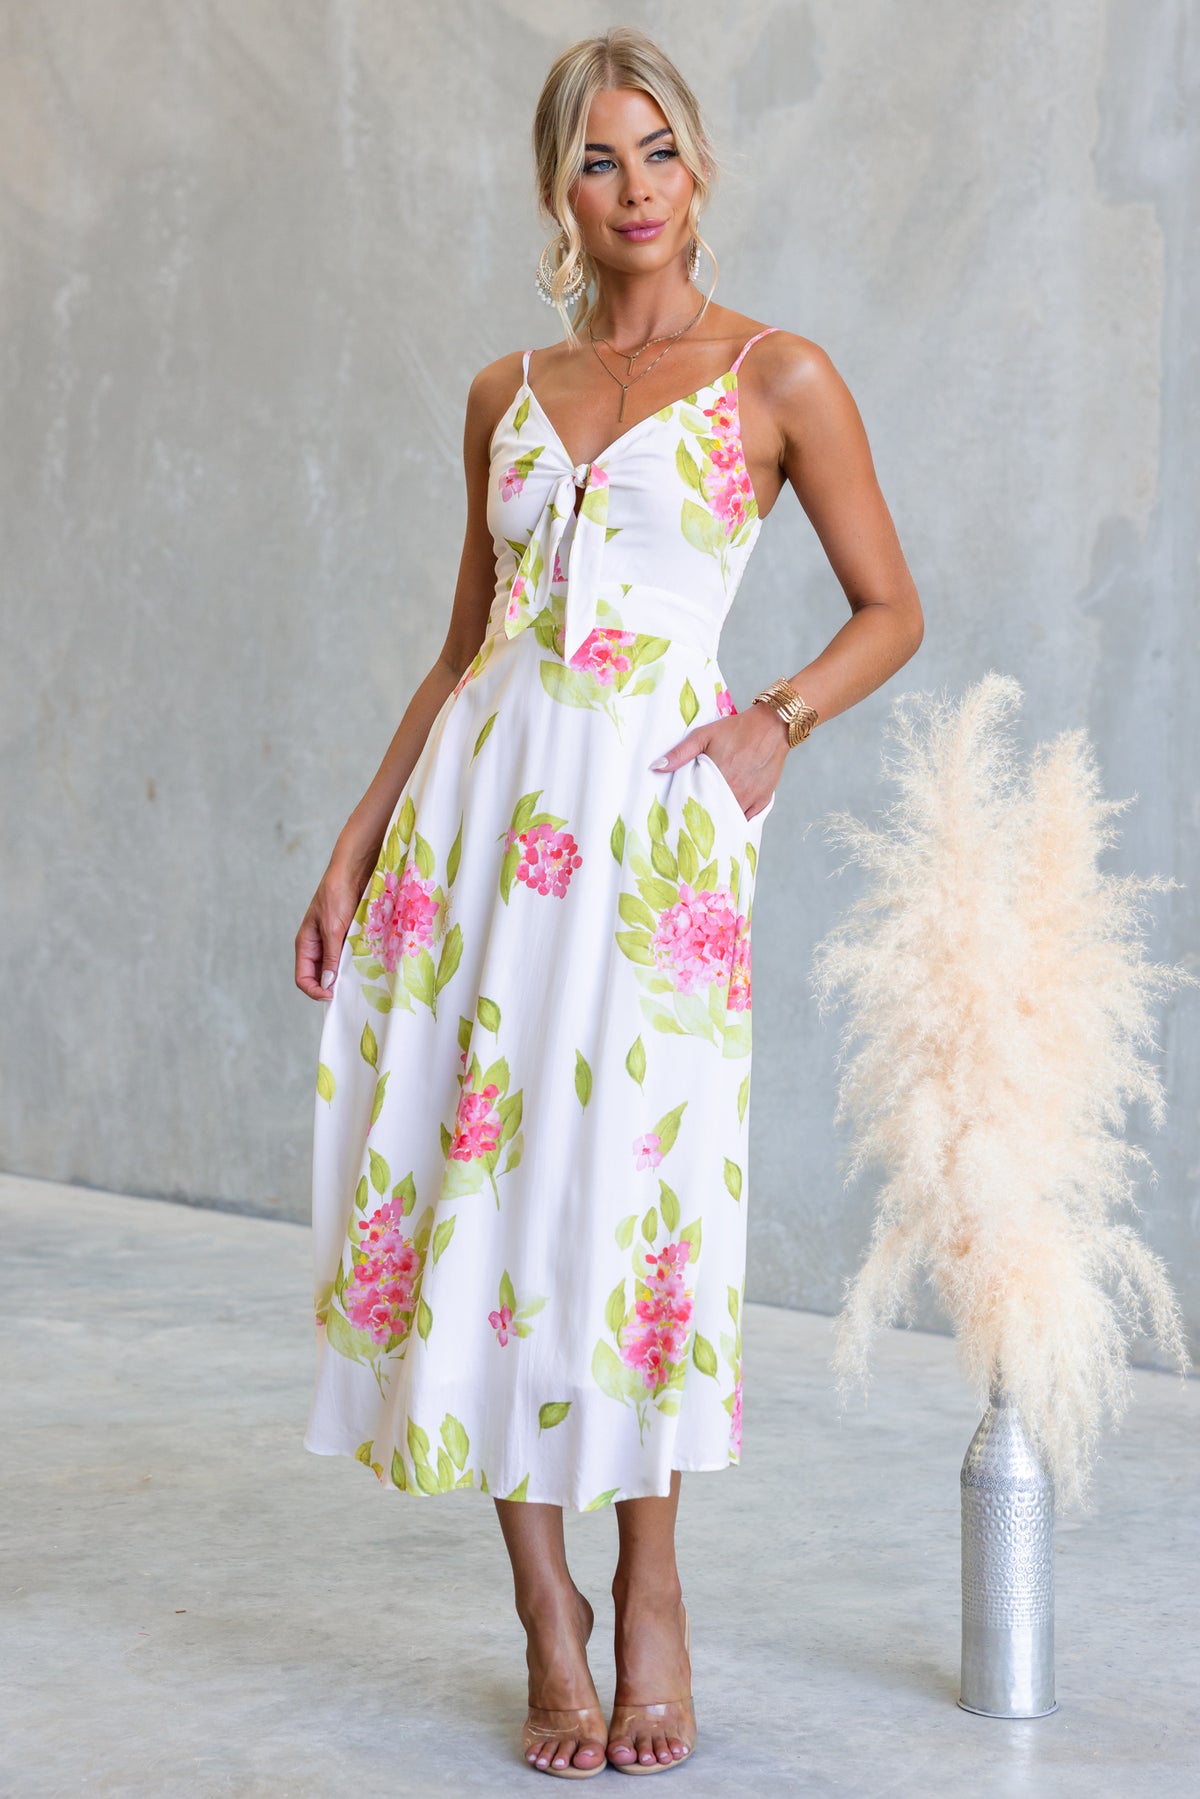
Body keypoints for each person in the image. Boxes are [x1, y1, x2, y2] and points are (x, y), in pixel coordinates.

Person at [294, 25, 923, 1780]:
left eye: (656, 152)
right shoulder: (505, 390)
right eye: (596, 159)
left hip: (651, 846)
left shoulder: (781, 376)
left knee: (630, 1207)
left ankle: (651, 1592)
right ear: (557, 190)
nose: (632, 188)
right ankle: (543, 1613)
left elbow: (892, 607)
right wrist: (353, 846)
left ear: (699, 172)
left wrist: (774, 720)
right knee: (473, 1190)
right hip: (476, 836)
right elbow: (465, 650)